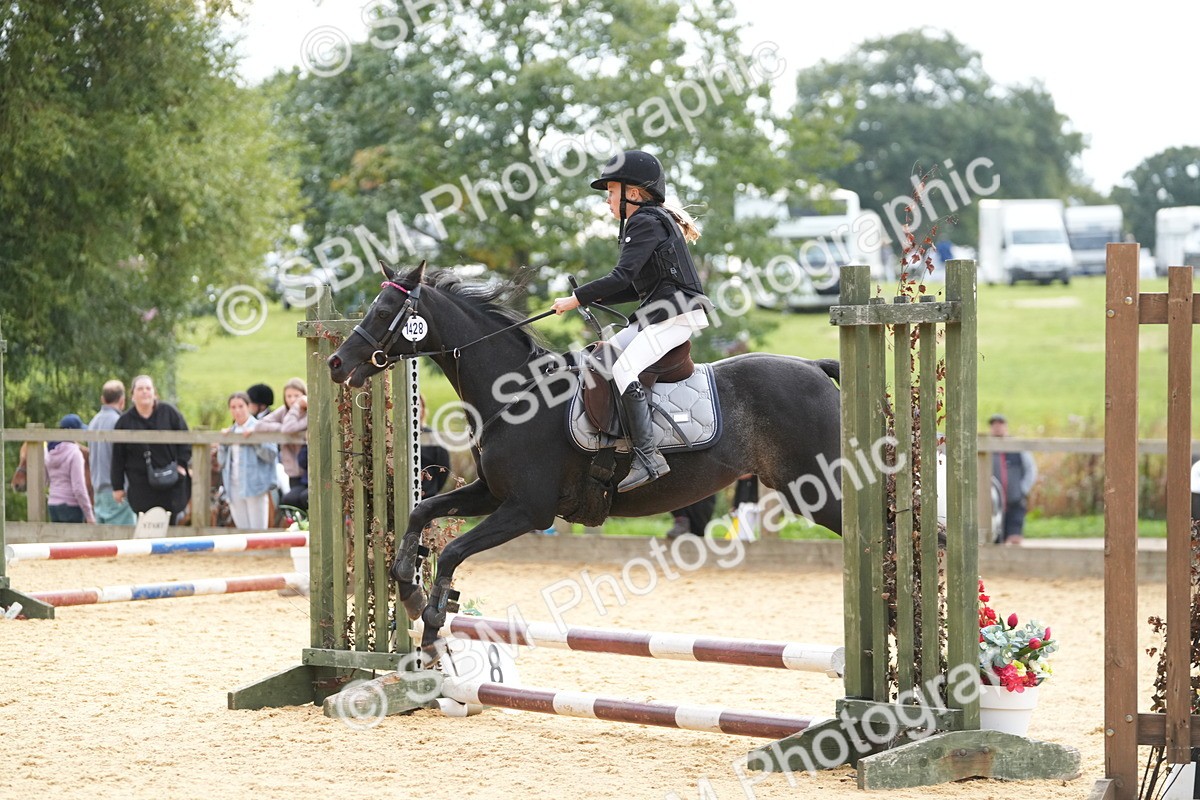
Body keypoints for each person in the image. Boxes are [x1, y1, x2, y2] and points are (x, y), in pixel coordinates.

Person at [552, 149, 711, 492]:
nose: (607, 200)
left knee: (625, 369)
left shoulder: (645, 220)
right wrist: (587, 300)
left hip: (676, 315)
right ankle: (611, 440)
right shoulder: (650, 220)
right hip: (659, 313)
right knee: (601, 356)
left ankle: (648, 455)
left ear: (633, 194)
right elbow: (632, 286)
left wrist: (575, 299)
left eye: (611, 192)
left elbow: (620, 276)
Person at [111, 375, 191, 524]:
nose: (145, 392)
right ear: (132, 395)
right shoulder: (125, 421)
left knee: (171, 526)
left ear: (155, 393)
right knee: (145, 529)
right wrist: (117, 486)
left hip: (170, 482)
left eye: (148, 388)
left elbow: (186, 440)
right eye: (140, 389)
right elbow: (117, 457)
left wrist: (181, 465)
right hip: (140, 485)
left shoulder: (169, 412)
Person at [217, 391, 279, 529]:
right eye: (233, 407)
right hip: (233, 486)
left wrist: (255, 440)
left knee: (258, 531)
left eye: (241, 406)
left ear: (248, 406)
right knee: (242, 531)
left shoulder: (260, 427)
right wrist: (223, 442)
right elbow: (221, 461)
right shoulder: (230, 432)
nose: (237, 410)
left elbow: (271, 455)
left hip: (255, 485)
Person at [87, 379, 136, 525]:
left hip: (98, 491)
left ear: (102, 399)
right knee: (125, 544)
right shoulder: (120, 423)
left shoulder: (93, 423)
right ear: (122, 400)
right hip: (117, 492)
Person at [251, 377, 308, 498]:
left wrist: (297, 407)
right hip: (292, 469)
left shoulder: (309, 413)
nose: (292, 400)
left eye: (296, 396)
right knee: (291, 501)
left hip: (307, 468)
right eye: (289, 396)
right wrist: (280, 428)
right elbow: (259, 425)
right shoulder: (283, 411)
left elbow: (289, 428)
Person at [989, 414, 1037, 545]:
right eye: (994, 425)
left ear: (1006, 427)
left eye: (1000, 425)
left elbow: (1031, 470)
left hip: (1014, 501)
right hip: (992, 505)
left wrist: (1022, 490)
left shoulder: (1017, 447)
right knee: (994, 540)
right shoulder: (985, 450)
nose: (997, 428)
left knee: (1015, 539)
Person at [45, 414, 95, 524]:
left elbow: (45, 481)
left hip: (53, 504)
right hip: (71, 506)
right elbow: (78, 488)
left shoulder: (49, 452)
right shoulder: (74, 453)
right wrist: (89, 515)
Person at [419, 394, 450, 499]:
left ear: (423, 409)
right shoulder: (396, 436)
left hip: (427, 498)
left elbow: (444, 467)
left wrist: (431, 490)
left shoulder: (434, 437)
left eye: (418, 405)